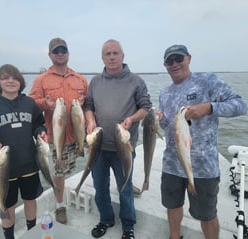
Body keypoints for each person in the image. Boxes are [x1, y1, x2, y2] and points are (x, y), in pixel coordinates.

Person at [158, 44, 248, 239]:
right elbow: (168, 128)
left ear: (188, 58)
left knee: (206, 214)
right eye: (169, 61)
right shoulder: (165, 93)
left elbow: (241, 105)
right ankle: (175, 237)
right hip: (172, 164)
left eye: (178, 59)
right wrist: (161, 119)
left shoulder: (207, 80)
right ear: (165, 65)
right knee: (172, 206)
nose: (174, 64)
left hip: (203, 168)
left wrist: (209, 108)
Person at [84, 39, 152, 239]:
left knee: (125, 188)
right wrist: (89, 120)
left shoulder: (136, 81)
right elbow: (88, 105)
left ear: (123, 56)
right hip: (98, 147)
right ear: (102, 58)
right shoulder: (95, 81)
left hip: (124, 147)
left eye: (115, 53)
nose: (112, 57)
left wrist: (132, 118)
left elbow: (145, 107)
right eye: (107, 54)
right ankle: (106, 219)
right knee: (100, 186)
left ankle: (128, 225)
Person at [0, 64, 47, 239]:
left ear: (21, 82)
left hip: (29, 164)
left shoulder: (29, 103)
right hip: (4, 168)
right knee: (7, 205)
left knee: (30, 199)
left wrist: (40, 132)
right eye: (5, 78)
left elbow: (38, 123)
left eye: (14, 78)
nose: (10, 81)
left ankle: (32, 232)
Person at [28, 37, 88, 224]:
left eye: (63, 50)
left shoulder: (80, 79)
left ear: (68, 54)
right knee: (59, 173)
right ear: (50, 55)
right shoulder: (41, 79)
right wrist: (44, 104)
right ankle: (60, 205)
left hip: (76, 135)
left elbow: (89, 105)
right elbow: (30, 104)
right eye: (56, 51)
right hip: (54, 136)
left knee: (70, 168)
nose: (60, 54)